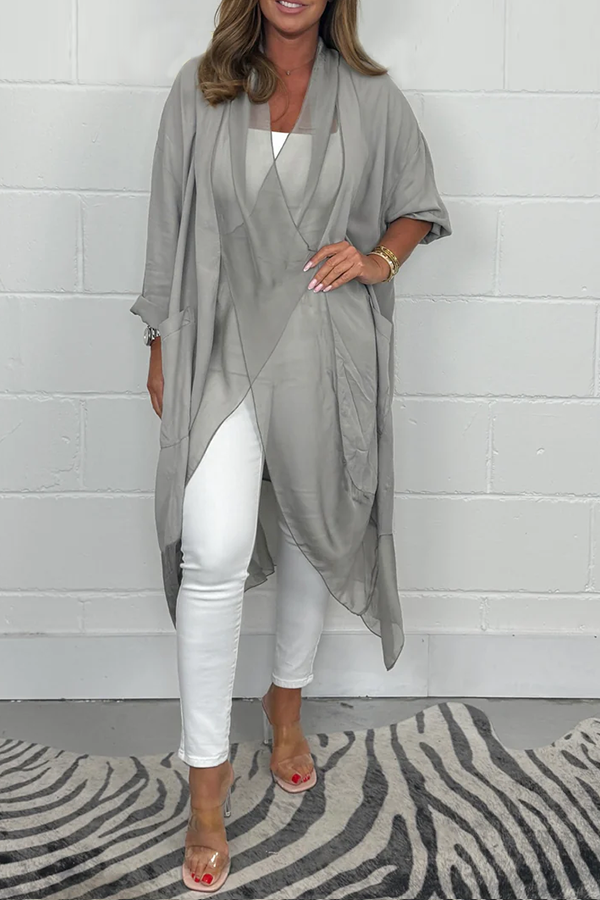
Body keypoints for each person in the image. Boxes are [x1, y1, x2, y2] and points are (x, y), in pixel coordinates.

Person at [130, 0, 451, 892]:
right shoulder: (201, 90)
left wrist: (378, 260)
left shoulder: (372, 98)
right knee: (214, 547)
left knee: (315, 529)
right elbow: (167, 224)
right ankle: (205, 785)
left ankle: (285, 703)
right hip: (221, 346)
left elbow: (417, 207)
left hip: (324, 347)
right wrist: (158, 342)